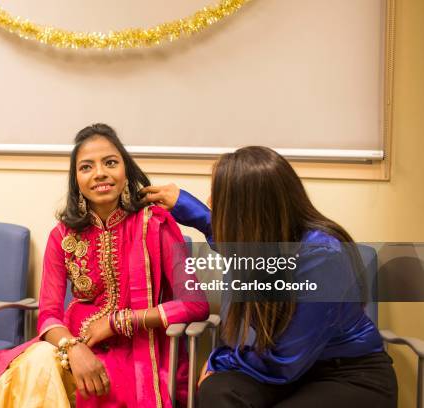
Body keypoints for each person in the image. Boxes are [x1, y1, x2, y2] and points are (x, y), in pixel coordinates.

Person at [0, 124, 209, 408]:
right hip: (70, 347)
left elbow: (195, 305)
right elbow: (48, 315)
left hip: (138, 353)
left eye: (110, 162)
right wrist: (73, 348)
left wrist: (118, 322)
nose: (100, 173)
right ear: (77, 180)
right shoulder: (61, 236)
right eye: (87, 167)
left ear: (126, 172)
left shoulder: (156, 224)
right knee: (31, 365)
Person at [140, 146, 397, 408]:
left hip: (344, 375)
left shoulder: (321, 257)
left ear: (250, 208)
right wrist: (184, 203)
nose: (209, 201)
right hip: (289, 371)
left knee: (221, 377)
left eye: (219, 196)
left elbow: (285, 362)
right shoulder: (268, 238)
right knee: (218, 391)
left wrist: (219, 360)